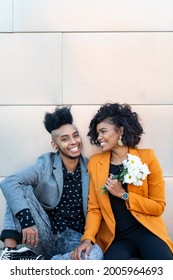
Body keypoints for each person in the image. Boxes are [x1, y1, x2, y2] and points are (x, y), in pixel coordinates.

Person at [71, 102, 173, 260]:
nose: (99, 138)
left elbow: (158, 207)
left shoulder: (147, 158)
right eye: (97, 133)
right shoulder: (95, 163)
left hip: (147, 231)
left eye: (103, 131)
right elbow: (94, 208)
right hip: (118, 238)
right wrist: (87, 239)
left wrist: (123, 195)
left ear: (120, 130)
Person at [0, 106, 103, 260]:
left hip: (75, 239)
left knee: (95, 256)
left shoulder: (91, 167)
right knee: (19, 187)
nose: (73, 142)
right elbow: (10, 182)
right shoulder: (45, 163)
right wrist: (27, 222)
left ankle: (44, 264)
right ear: (55, 145)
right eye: (65, 139)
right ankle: (10, 252)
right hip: (45, 233)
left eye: (75, 136)